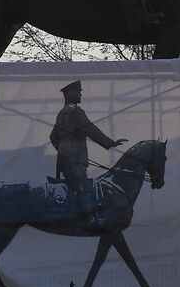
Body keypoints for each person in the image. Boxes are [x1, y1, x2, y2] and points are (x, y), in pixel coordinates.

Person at [50, 80, 124, 226]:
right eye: (78, 92)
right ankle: (90, 219)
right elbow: (90, 129)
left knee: (77, 187)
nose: (81, 94)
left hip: (66, 159)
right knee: (83, 187)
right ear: (70, 94)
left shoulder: (62, 113)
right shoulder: (75, 111)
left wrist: (62, 150)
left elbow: (53, 137)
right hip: (75, 158)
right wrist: (110, 143)